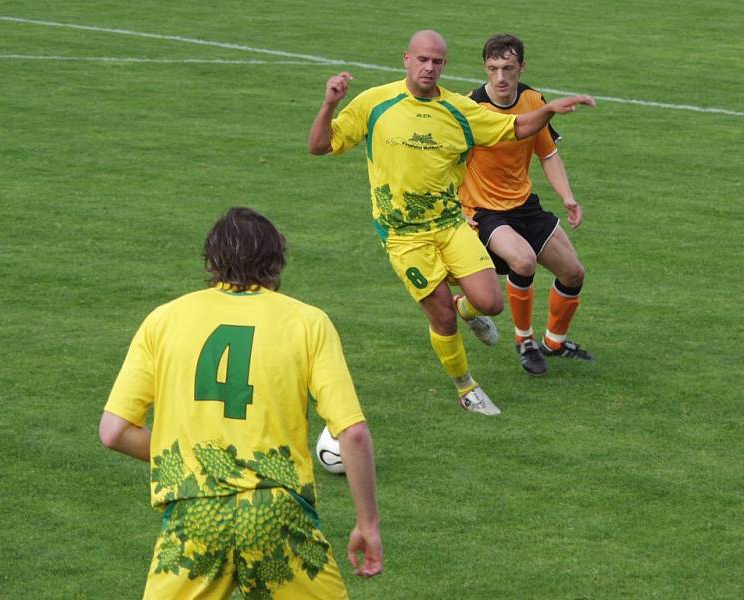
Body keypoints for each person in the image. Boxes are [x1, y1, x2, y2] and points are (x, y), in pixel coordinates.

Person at [99, 207, 382, 599]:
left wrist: (188, 458)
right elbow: (352, 434)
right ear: (275, 260)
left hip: (196, 515)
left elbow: (114, 431)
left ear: (212, 259)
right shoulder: (307, 322)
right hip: (276, 513)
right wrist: (368, 524)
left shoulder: (163, 320)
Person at [308, 30, 594, 413]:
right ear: (406, 59)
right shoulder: (374, 102)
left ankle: (469, 312)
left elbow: (515, 129)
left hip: (451, 224)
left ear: (445, 65)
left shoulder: (460, 109)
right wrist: (329, 105)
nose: (429, 67)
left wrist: (549, 110)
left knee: (491, 303)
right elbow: (320, 146)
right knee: (441, 315)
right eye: (422, 59)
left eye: (437, 62)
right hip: (403, 234)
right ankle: (466, 388)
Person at [459, 33, 594, 377]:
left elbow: (547, 153)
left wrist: (567, 196)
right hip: (484, 210)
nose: (501, 77)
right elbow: (448, 164)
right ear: (485, 68)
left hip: (523, 205)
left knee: (574, 272)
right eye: (493, 69)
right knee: (523, 260)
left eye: (508, 68)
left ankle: (555, 342)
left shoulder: (533, 100)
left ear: (522, 66)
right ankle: (525, 341)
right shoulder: (469, 108)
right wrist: (460, 212)